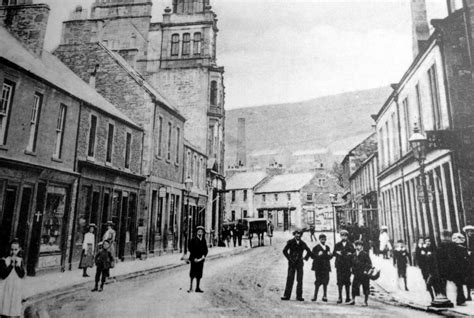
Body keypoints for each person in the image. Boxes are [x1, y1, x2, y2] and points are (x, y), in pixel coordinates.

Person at [281, 229, 312, 301]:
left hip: (300, 264)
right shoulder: (290, 242)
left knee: (299, 280)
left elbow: (309, 251)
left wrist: (305, 258)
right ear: (294, 234)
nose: (298, 235)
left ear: (301, 235)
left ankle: (299, 296)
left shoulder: (303, 243)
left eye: (299, 234)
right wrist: (289, 259)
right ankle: (286, 295)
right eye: (297, 234)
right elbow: (284, 251)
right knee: (290, 279)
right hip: (292, 263)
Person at [0, 239, 25, 318]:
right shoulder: (4, 260)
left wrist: (17, 266)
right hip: (6, 286)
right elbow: (3, 275)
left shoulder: (20, 260)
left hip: (15, 287)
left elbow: (21, 275)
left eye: (15, 250)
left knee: (13, 307)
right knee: (4, 305)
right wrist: (11, 265)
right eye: (12, 249)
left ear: (19, 249)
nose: (13, 252)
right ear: (9, 249)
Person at [334, 229, 355, 304]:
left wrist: (350, 254)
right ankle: (339, 297)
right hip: (339, 265)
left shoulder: (350, 245)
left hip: (347, 265)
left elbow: (353, 254)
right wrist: (337, 253)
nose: (343, 237)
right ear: (340, 236)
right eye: (342, 236)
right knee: (339, 281)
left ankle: (348, 297)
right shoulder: (337, 244)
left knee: (347, 281)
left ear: (347, 236)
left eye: (345, 236)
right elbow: (334, 253)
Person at [349, 240, 372, 306]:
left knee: (366, 287)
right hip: (357, 273)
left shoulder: (365, 254)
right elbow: (351, 263)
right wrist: (352, 269)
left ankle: (365, 301)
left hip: (364, 274)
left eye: (360, 245)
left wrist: (366, 270)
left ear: (362, 247)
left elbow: (369, 264)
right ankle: (353, 300)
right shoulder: (353, 254)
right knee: (354, 286)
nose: (359, 247)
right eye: (357, 245)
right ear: (355, 246)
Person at [310, 234, 332, 302]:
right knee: (318, 281)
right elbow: (312, 256)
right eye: (321, 239)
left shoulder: (327, 247)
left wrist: (330, 255)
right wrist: (317, 255)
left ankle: (324, 296)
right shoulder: (316, 247)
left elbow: (329, 258)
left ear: (326, 239)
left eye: (324, 239)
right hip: (318, 267)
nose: (323, 240)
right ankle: (315, 296)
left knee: (325, 281)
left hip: (326, 267)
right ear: (319, 239)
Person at [188, 225, 208, 293]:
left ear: (203, 233)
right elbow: (190, 249)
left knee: (199, 274)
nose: (200, 233)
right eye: (199, 231)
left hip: (201, 260)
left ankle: (197, 287)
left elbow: (206, 249)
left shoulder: (203, 240)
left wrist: (204, 255)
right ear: (196, 232)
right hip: (194, 259)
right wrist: (194, 258)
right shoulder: (193, 240)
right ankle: (191, 287)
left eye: (201, 232)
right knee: (192, 273)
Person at [452, 232, 469, 306]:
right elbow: (465, 259)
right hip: (461, 269)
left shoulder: (453, 248)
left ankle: (460, 299)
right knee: (460, 285)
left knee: (459, 285)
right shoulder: (462, 248)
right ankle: (460, 300)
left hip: (455, 270)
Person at [422, 237, 436, 301]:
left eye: (429, 241)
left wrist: (431, 255)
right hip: (427, 270)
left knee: (430, 284)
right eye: (426, 241)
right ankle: (433, 298)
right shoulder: (424, 249)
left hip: (433, 270)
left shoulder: (433, 249)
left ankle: (435, 298)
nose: (428, 242)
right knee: (429, 285)